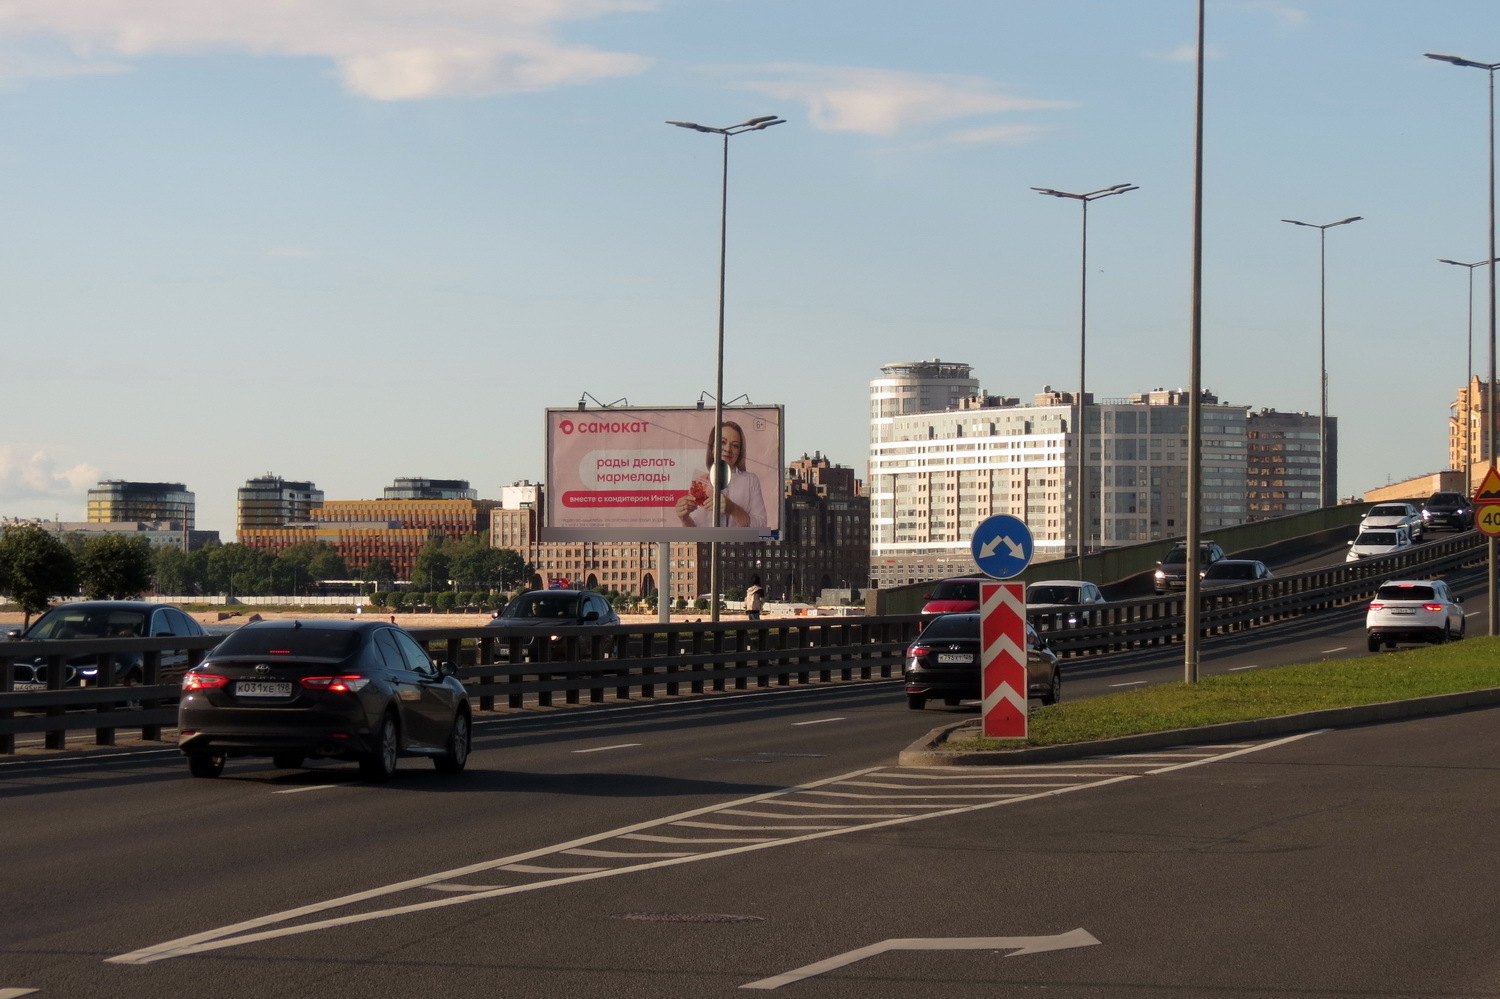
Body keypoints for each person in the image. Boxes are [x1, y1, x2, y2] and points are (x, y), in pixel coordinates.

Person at [674, 420, 768, 528]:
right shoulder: (699, 481)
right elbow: (693, 534)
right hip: (707, 544)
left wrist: (734, 510)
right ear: (712, 448)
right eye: (722, 442)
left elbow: (762, 527)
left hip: (738, 544)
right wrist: (684, 517)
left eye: (735, 445)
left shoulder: (750, 481)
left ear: (740, 452)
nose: (728, 449)